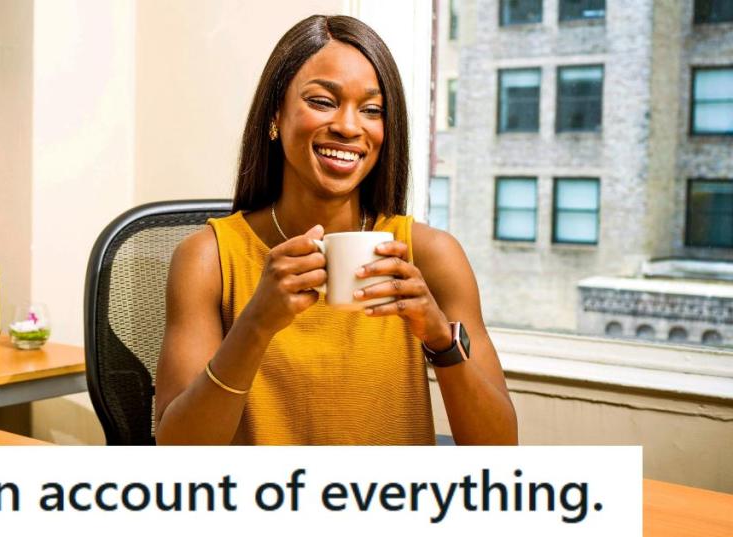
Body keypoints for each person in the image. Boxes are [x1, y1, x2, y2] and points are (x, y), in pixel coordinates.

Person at [155, 15, 517, 445]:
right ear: (275, 114)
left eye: (371, 110)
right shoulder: (207, 259)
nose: (349, 127)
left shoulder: (432, 254)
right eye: (323, 101)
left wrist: (439, 337)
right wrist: (254, 325)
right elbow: (178, 452)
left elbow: (500, 449)